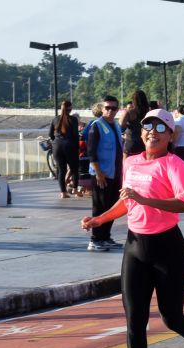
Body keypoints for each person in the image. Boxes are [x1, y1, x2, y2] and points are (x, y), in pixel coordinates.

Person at [80, 109, 184, 348]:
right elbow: (126, 202)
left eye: (159, 128)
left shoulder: (176, 165)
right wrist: (99, 220)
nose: (151, 132)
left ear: (170, 135)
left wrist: (144, 200)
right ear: (140, 133)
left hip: (167, 247)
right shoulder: (131, 162)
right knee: (134, 320)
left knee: (171, 317)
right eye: (146, 127)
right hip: (135, 247)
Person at [86, 95, 124, 252]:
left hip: (114, 174)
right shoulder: (97, 126)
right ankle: (95, 239)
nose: (110, 111)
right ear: (102, 109)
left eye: (114, 108)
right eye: (107, 108)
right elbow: (91, 152)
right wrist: (99, 173)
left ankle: (105, 237)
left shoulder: (115, 125)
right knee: (99, 207)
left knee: (111, 208)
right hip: (101, 175)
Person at [48, 100, 79, 199]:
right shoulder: (73, 120)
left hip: (57, 147)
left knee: (61, 170)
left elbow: (50, 134)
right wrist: (76, 146)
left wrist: (56, 142)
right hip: (69, 146)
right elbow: (75, 135)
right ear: (70, 109)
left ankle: (63, 192)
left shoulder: (55, 119)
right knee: (74, 169)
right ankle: (74, 189)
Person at [120, 90, 150, 160]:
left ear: (133, 100)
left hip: (131, 143)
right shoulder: (149, 112)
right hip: (144, 143)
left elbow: (121, 126)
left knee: (126, 166)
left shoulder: (130, 112)